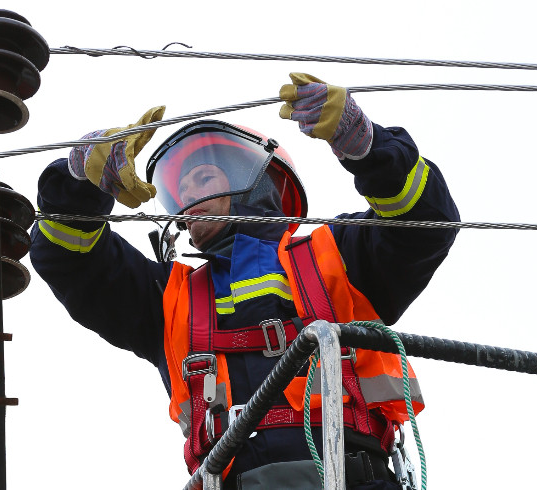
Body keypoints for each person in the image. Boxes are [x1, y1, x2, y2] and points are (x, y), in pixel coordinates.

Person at [29, 73, 460, 489]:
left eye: (202, 178)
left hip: (355, 475)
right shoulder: (167, 300)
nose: (186, 200)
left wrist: (367, 146)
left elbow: (426, 222)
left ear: (250, 180)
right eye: (178, 191)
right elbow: (65, 256)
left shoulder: (338, 258)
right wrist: (81, 176)